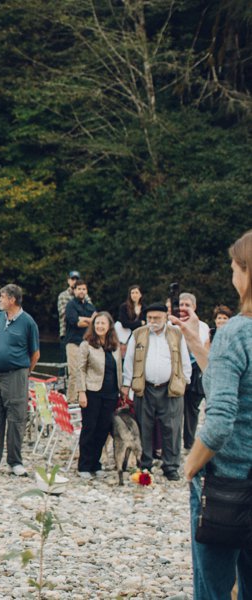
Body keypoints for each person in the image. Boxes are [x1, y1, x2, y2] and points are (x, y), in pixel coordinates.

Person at [174, 230, 252, 599]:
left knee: (213, 590)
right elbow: (239, 386)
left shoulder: (235, 332)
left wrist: (191, 464)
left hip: (228, 487)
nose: (232, 277)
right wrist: (197, 346)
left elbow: (220, 421)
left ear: (246, 272)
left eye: (235, 269)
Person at [121, 302, 192, 481]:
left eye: (157, 318)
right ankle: (145, 463)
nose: (153, 321)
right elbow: (129, 361)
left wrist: (185, 381)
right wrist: (126, 384)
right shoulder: (138, 334)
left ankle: (171, 466)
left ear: (165, 317)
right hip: (145, 388)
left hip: (170, 387)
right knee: (144, 426)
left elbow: (184, 359)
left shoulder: (176, 334)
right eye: (150, 318)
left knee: (172, 427)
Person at [0, 284, 40, 478]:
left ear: (12, 299)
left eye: (2, 296)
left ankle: (15, 461)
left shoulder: (28, 322)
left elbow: (35, 353)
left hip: (16, 375)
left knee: (16, 419)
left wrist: (24, 373)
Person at [73, 311, 122, 479]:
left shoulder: (114, 346)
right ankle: (84, 465)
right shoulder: (86, 345)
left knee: (103, 430)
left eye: (103, 323)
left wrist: (122, 390)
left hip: (110, 394)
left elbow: (119, 370)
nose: (100, 326)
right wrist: (81, 392)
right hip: (92, 392)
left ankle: (96, 462)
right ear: (93, 326)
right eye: (97, 323)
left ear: (109, 326)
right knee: (90, 428)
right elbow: (79, 370)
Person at [179, 292, 210, 451]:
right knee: (175, 409)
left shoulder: (203, 326)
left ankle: (189, 442)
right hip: (176, 369)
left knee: (191, 408)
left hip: (195, 369)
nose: (183, 308)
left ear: (194, 307)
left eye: (187, 305)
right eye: (181, 305)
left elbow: (201, 348)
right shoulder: (172, 324)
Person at [64, 279, 96, 403]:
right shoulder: (71, 305)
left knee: (87, 372)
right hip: (73, 342)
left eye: (84, 289)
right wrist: (89, 320)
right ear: (74, 290)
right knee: (74, 373)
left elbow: (96, 321)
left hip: (87, 343)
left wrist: (84, 320)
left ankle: (84, 398)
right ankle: (71, 399)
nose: (82, 291)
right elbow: (75, 322)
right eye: (79, 289)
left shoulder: (90, 306)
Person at [57, 270, 91, 345]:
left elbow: (92, 314)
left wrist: (86, 319)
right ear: (68, 281)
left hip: (84, 335)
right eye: (73, 279)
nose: (75, 281)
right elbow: (68, 316)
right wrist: (90, 320)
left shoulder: (86, 296)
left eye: (77, 279)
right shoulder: (63, 296)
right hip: (67, 335)